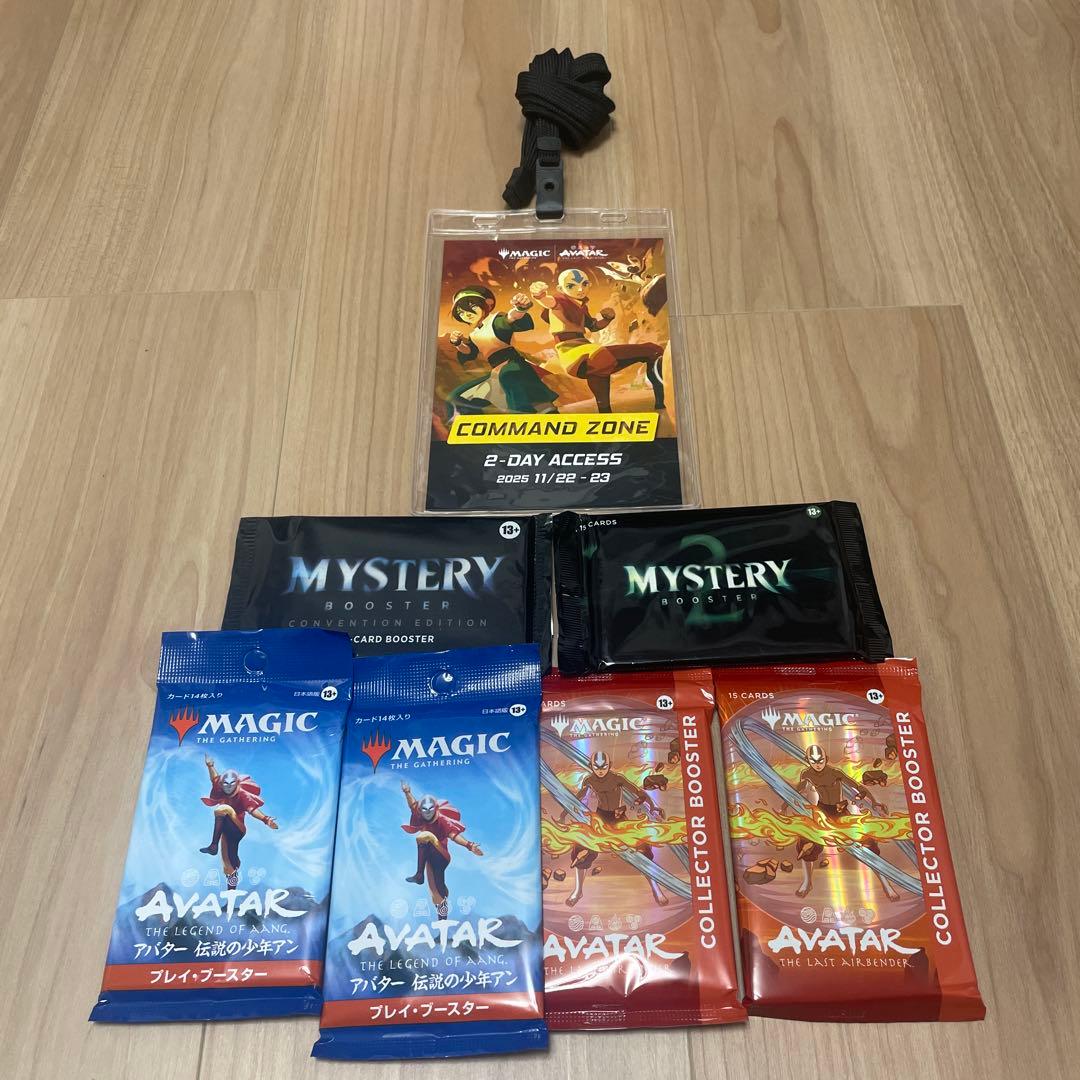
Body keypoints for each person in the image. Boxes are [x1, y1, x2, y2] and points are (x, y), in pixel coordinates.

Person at [530, 270, 665, 413]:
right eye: (571, 286)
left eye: (584, 284)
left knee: (651, 351)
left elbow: (593, 326)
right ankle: (609, 410)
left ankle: (657, 402)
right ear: (560, 288)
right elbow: (548, 301)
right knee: (604, 359)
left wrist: (606, 319)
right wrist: (539, 294)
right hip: (574, 353)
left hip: (585, 350)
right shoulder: (558, 301)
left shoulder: (580, 306)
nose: (580, 289)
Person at [789, 744, 899, 901]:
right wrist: (786, 805)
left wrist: (874, 801)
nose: (818, 764)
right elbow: (798, 791)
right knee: (806, 842)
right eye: (813, 761)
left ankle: (886, 885)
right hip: (821, 812)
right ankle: (807, 883)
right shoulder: (806, 774)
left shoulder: (835, 773)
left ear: (826, 759)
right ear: (808, 760)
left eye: (820, 760)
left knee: (868, 844)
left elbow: (858, 787)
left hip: (840, 812)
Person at [564, 751, 668, 908]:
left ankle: (656, 890)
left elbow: (638, 792)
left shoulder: (617, 779)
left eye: (604, 766)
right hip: (599, 818)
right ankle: (578, 891)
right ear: (591, 766)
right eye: (596, 767)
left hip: (618, 818)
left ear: (609, 765)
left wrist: (653, 806)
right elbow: (579, 797)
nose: (600, 770)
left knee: (643, 848)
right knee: (581, 847)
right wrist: (565, 813)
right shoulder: (589, 780)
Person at [446, 285, 558, 417]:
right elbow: (469, 352)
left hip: (514, 366)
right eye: (461, 313)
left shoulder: (495, 320)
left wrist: (520, 308)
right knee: (458, 396)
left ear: (486, 304)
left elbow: (510, 318)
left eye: (472, 306)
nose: (467, 314)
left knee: (525, 392)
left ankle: (524, 415)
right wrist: (458, 343)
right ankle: (472, 422)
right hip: (496, 374)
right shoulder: (475, 333)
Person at [401, 781, 483, 919]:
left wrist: (469, 845)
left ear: (435, 809)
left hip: (441, 855)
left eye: (430, 810)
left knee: (424, 836)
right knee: (436, 892)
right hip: (428, 856)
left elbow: (454, 836)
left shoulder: (443, 820)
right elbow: (413, 805)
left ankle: (419, 875)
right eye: (424, 810)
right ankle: (442, 919)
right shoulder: (420, 814)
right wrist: (407, 792)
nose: (427, 813)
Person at [199, 755, 277, 890]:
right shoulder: (220, 788)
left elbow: (253, 810)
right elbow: (215, 779)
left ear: (237, 783)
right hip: (225, 831)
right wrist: (210, 766)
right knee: (228, 865)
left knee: (223, 808)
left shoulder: (243, 795)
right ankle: (231, 894)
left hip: (237, 828)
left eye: (232, 784)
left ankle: (213, 846)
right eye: (225, 784)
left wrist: (266, 819)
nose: (228, 787)